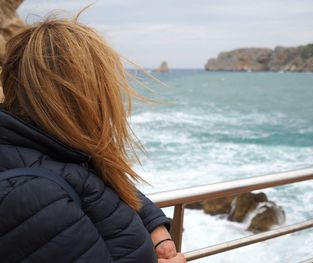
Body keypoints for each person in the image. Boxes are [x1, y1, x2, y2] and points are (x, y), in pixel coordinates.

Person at [0, 14, 186, 263]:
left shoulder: (52, 148)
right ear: (81, 96)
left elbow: (94, 182)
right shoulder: (38, 197)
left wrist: (153, 223)